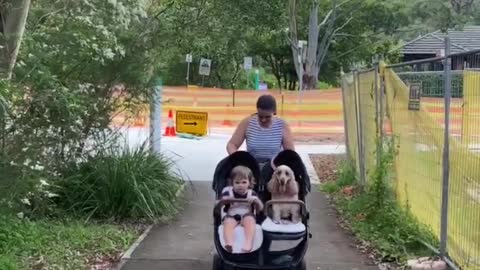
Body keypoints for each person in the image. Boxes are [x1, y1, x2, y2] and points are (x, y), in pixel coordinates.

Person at [226, 94, 295, 169]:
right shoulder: (247, 123)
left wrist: (280, 166)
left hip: (274, 168)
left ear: (274, 112)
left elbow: (290, 153)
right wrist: (240, 160)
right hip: (252, 167)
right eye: (260, 116)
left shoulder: (282, 125)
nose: (263, 120)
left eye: (267, 117)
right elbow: (231, 145)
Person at [221, 165, 263, 253]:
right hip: (232, 215)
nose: (240, 185)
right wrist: (225, 200)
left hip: (246, 215)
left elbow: (260, 208)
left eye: (244, 182)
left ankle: (248, 243)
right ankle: (229, 243)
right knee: (228, 223)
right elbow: (221, 204)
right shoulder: (227, 192)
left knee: (250, 220)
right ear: (232, 183)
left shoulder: (252, 194)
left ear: (249, 182)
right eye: (237, 182)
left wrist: (256, 201)